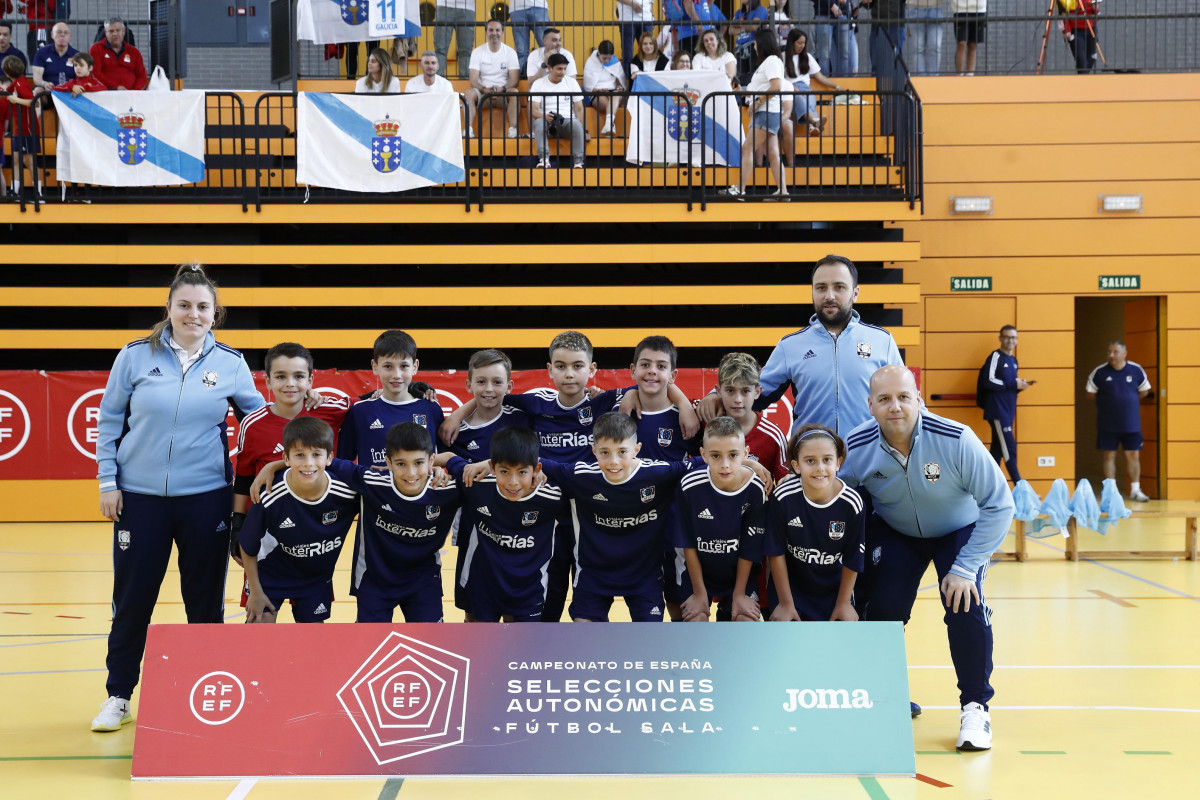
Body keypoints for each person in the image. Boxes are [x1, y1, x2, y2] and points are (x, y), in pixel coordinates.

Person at [90, 264, 267, 732]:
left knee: (205, 603)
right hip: (140, 500)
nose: (193, 314)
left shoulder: (230, 362)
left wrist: (301, 409)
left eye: (202, 307)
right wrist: (108, 482)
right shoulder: (133, 356)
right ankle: (119, 695)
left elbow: (258, 424)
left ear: (216, 313)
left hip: (205, 499)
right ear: (168, 308)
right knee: (132, 601)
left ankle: (208, 696)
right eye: (184, 305)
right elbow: (109, 422)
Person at [842, 365, 1012, 751]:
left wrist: (966, 567)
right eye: (884, 399)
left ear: (918, 399)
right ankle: (886, 696)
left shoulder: (955, 439)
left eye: (904, 397)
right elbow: (841, 497)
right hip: (897, 531)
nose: (895, 407)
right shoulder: (856, 445)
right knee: (882, 606)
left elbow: (1000, 504)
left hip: (958, 529)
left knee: (963, 603)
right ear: (870, 405)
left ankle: (975, 707)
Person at [439, 331, 624, 622]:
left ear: (592, 369)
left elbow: (648, 388)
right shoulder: (536, 403)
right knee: (540, 598)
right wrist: (457, 413)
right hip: (535, 517)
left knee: (586, 597)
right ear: (549, 370)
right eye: (561, 366)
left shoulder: (603, 403)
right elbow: (490, 394)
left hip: (585, 516)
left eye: (578, 366)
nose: (569, 373)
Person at [699, 254, 904, 436]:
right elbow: (754, 390)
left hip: (868, 462)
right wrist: (714, 396)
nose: (829, 295)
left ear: (855, 293)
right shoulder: (791, 346)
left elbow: (907, 400)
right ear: (812, 292)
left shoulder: (882, 341)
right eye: (821, 288)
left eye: (839, 287)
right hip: (811, 463)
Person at [535, 412, 699, 622]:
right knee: (584, 642)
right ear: (594, 450)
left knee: (648, 645)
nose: (613, 461)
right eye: (604, 452)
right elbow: (526, 459)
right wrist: (487, 464)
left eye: (622, 452)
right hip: (593, 577)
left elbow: (706, 459)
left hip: (644, 578)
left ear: (636, 450)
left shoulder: (659, 473)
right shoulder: (580, 475)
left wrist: (753, 465)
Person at [233, 342, 349, 562]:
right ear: (267, 381)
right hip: (268, 532)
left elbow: (370, 404)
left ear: (310, 380)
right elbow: (244, 479)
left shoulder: (330, 410)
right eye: (280, 377)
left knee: (312, 592)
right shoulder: (253, 424)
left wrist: (412, 388)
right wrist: (237, 525)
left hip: (317, 533)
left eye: (298, 376)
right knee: (261, 595)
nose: (290, 384)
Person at [239, 418, 359, 624]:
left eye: (316, 455)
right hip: (270, 575)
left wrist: (435, 468)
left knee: (313, 645)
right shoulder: (269, 493)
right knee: (258, 632)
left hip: (314, 580)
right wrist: (256, 592)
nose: (308, 463)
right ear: (286, 458)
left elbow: (386, 482)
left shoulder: (348, 493)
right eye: (300, 455)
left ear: (330, 457)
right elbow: (248, 546)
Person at [442, 426, 567, 622]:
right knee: (481, 646)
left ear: (536, 469)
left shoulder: (554, 497)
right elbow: (450, 459)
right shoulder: (477, 484)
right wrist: (430, 467)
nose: (513, 482)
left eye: (522, 472)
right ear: (491, 468)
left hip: (528, 594)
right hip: (484, 589)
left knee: (519, 650)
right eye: (504, 472)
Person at [763, 424, 866, 622]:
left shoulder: (851, 503)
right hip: (790, 591)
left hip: (834, 592)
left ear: (838, 462)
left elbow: (853, 557)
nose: (820, 468)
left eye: (827, 460)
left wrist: (844, 603)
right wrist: (785, 603)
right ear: (796, 465)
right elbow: (775, 553)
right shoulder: (784, 498)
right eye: (810, 460)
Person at [675, 416, 769, 622]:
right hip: (698, 576)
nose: (725, 465)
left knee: (745, 621)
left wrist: (739, 594)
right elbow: (687, 544)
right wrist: (699, 593)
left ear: (745, 454)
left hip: (739, 578)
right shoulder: (690, 486)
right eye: (716, 456)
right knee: (695, 621)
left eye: (733, 455)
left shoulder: (754, 490)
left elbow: (750, 547)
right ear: (703, 455)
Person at [337, 330, 444, 468]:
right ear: (375, 367)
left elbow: (446, 456)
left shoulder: (431, 409)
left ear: (415, 366)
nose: (397, 375)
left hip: (422, 489)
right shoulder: (359, 411)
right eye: (388, 366)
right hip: (373, 489)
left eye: (404, 366)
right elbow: (342, 462)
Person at [722, 28, 790, 200]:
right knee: (773, 153)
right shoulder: (767, 63)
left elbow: (776, 87)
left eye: (755, 42)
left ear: (762, 43)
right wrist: (741, 91)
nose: (753, 46)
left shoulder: (772, 61)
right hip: (767, 112)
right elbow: (762, 89)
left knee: (748, 148)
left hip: (765, 112)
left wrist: (758, 101)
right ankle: (782, 192)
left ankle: (740, 189)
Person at [1086, 340, 1152, 502]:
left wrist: (1128, 402)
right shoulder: (1099, 372)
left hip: (1131, 423)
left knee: (1133, 455)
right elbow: (1090, 394)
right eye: (1109, 352)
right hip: (1107, 423)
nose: (1111, 355)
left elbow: (1144, 391)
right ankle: (1111, 492)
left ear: (1124, 354)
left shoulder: (1136, 370)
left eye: (1115, 352)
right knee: (1109, 456)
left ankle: (1136, 490)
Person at [714, 352, 790, 480]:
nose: (738, 399)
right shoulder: (704, 419)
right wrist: (682, 403)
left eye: (745, 391)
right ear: (718, 391)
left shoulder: (773, 437)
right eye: (730, 390)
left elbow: (786, 485)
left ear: (757, 392)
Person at [977, 325, 1031, 483]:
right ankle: (1020, 487)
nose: (1010, 340)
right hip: (997, 412)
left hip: (1008, 412)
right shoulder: (995, 357)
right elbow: (988, 381)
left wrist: (1020, 386)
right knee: (1010, 450)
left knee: (997, 451)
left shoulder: (1013, 360)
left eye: (1014, 337)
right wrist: (1013, 384)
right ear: (1000, 338)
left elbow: (1007, 386)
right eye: (1007, 337)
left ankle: (988, 486)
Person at [781, 28, 844, 157]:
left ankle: (813, 124)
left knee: (808, 97)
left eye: (803, 43)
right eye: (799, 43)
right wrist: (791, 87)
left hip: (805, 88)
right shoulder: (782, 57)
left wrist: (837, 87)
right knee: (798, 97)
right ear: (792, 42)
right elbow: (778, 79)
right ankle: (814, 122)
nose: (802, 46)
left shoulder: (807, 57)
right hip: (789, 89)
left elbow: (820, 77)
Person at [465, 19, 520, 139]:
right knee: (468, 93)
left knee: (515, 92)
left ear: (502, 32)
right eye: (491, 30)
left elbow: (514, 79)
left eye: (497, 30)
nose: (494, 33)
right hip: (483, 93)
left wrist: (503, 88)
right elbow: (473, 80)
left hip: (503, 93)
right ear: (486, 33)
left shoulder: (510, 52)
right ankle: (468, 129)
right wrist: (484, 89)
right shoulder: (477, 52)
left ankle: (513, 130)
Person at [529, 52, 586, 168]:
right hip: (546, 121)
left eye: (565, 69)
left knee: (577, 124)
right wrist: (544, 116)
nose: (563, 72)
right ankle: (544, 159)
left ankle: (578, 162)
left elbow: (579, 109)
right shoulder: (538, 83)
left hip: (567, 121)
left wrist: (584, 130)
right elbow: (533, 110)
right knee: (539, 123)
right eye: (559, 69)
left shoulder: (572, 83)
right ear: (549, 68)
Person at [3, 55, 40, 198]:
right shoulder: (16, 83)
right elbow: (6, 93)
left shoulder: (21, 84)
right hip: (19, 129)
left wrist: (16, 99)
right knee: (17, 159)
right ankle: (15, 190)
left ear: (6, 72)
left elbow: (34, 103)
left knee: (28, 160)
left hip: (27, 129)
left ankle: (38, 192)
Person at [582, 40, 626, 135]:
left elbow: (620, 79)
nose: (606, 61)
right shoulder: (591, 62)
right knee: (610, 106)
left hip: (613, 91)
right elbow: (588, 86)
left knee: (615, 95)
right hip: (597, 92)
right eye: (604, 58)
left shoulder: (615, 62)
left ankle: (608, 125)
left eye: (609, 58)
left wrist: (619, 87)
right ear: (598, 53)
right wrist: (598, 90)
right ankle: (610, 125)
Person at [90, 18, 147, 91]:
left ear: (123, 31)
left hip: (131, 95)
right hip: (105, 93)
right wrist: (116, 87)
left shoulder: (134, 52)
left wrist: (135, 91)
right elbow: (95, 73)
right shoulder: (96, 49)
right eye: (111, 31)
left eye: (118, 30)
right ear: (105, 32)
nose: (115, 34)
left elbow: (142, 76)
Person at [861, 0, 906, 78]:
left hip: (894, 23)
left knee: (894, 61)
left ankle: (896, 87)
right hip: (877, 23)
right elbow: (868, 5)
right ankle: (877, 87)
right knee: (876, 62)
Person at [434, 0, 476, 80]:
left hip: (445, 5)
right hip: (466, 7)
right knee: (465, 51)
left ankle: (437, 80)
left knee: (441, 50)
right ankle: (464, 82)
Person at [810, 0, 852, 76]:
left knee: (845, 54)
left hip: (842, 13)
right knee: (824, 55)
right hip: (823, 13)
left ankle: (843, 84)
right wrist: (831, 4)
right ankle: (824, 85)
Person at [732, 0, 771, 82]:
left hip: (754, 47)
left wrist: (738, 25)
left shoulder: (761, 10)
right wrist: (746, 27)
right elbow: (731, 30)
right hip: (740, 48)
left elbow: (754, 26)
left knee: (754, 76)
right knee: (740, 77)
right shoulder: (738, 12)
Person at [615, 0, 654, 79]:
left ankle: (648, 79)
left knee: (649, 52)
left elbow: (650, 3)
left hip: (646, 19)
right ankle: (628, 84)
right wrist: (632, 3)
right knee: (628, 54)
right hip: (627, 19)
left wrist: (652, 16)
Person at [510, 0, 550, 76]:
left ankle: (552, 72)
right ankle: (523, 76)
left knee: (547, 46)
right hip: (531, 6)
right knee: (546, 45)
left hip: (519, 7)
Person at [32, 20, 75, 89]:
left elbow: (82, 78)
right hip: (49, 90)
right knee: (38, 90)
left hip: (70, 91)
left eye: (66, 33)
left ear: (70, 36)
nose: (62, 35)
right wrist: (44, 84)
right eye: (59, 32)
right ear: (52, 35)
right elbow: (37, 79)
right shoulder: (41, 53)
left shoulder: (77, 55)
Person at [1059, 0, 1100, 74]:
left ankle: (1083, 77)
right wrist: (1067, 31)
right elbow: (1063, 13)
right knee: (1081, 60)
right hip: (1076, 31)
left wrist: (1095, 9)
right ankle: (1083, 77)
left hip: (1091, 29)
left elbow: (1096, 13)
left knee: (1092, 57)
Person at [907, 0, 944, 74]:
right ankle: (921, 79)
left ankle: (933, 79)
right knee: (918, 48)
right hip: (914, 7)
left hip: (935, 7)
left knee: (935, 45)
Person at [950, 0, 984, 75]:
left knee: (973, 44)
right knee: (961, 43)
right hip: (960, 9)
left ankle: (970, 76)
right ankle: (959, 76)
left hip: (979, 8)